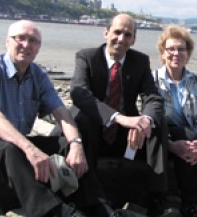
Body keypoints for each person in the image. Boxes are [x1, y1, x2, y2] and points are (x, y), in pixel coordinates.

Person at [0, 20, 91, 217]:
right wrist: (30, 149)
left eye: (33, 41)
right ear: (7, 42)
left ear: (38, 48)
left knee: (65, 144)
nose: (26, 45)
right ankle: (52, 212)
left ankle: (94, 205)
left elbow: (61, 113)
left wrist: (76, 145)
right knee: (12, 149)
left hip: (16, 145)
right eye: (20, 38)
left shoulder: (38, 75)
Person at [67, 13, 173, 216]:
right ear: (106, 33)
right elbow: (79, 93)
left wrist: (144, 121)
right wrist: (119, 118)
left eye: (127, 34)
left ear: (133, 40)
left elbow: (152, 98)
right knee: (83, 117)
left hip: (124, 139)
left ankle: (158, 197)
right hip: (93, 134)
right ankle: (89, 199)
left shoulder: (140, 61)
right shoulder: (87, 57)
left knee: (158, 124)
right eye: (117, 32)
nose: (121, 39)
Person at [152, 25, 197, 217]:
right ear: (163, 53)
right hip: (162, 136)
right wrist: (169, 144)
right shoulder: (152, 80)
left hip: (190, 136)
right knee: (188, 135)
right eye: (171, 49)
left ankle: (190, 201)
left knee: (192, 138)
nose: (176, 53)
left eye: (181, 49)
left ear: (188, 53)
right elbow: (150, 117)